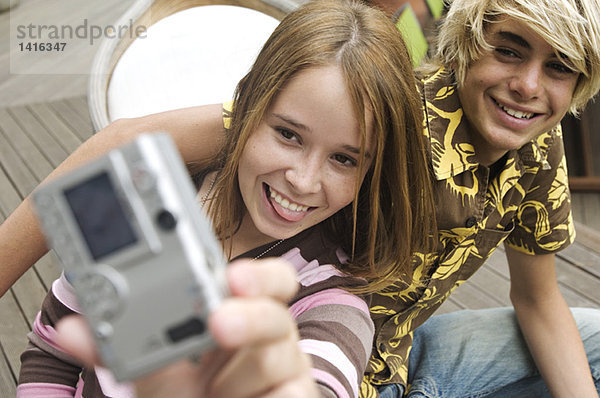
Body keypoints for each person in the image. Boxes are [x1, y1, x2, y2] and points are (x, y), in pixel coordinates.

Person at [3, 0, 600, 396]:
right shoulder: (383, 106)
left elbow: (539, 299)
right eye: (509, 49)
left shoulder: (539, 155)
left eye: (559, 66)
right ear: (469, 43)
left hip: (374, 351)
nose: (526, 85)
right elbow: (127, 143)